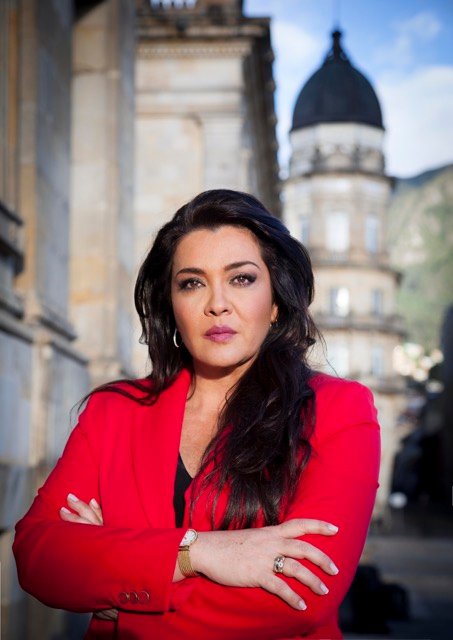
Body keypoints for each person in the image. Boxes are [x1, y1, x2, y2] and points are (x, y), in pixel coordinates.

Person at [13, 189, 380, 639]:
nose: (217, 304)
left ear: (276, 301)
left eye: (241, 279)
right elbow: (39, 555)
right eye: (192, 283)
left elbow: (306, 594)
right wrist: (196, 553)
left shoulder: (338, 409)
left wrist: (120, 597)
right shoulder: (115, 412)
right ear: (171, 306)